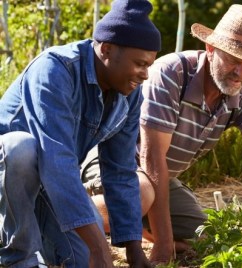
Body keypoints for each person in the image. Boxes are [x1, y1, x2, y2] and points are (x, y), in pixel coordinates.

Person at [86, 3, 242, 265]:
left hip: (159, 179)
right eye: (234, 60)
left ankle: (135, 229)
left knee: (210, 236)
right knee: (141, 193)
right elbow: (151, 157)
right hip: (113, 165)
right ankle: (63, 219)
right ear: (211, 49)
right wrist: (162, 245)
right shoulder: (172, 73)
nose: (241, 73)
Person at [0, 0, 160, 267]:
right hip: (8, 180)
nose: (145, 75)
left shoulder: (128, 94)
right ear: (107, 49)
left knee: (83, 257)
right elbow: (56, 159)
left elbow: (120, 171)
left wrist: (133, 250)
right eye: (139, 64)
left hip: (49, 184)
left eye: (149, 65)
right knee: (21, 148)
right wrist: (100, 248)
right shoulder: (55, 70)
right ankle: (19, 258)